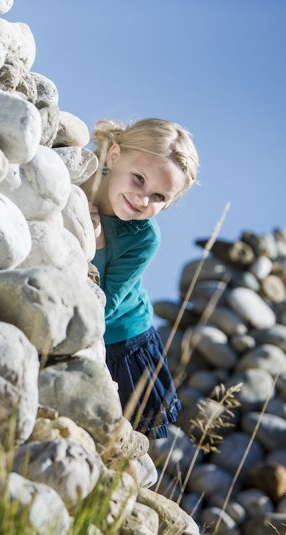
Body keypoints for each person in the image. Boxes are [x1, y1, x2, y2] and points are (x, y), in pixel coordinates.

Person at [80, 117, 200, 439]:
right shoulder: (79, 178)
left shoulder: (144, 238)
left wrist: (98, 244)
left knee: (113, 442)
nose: (143, 199)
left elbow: (103, 309)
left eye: (160, 197)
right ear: (115, 156)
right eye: (138, 179)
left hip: (123, 342)